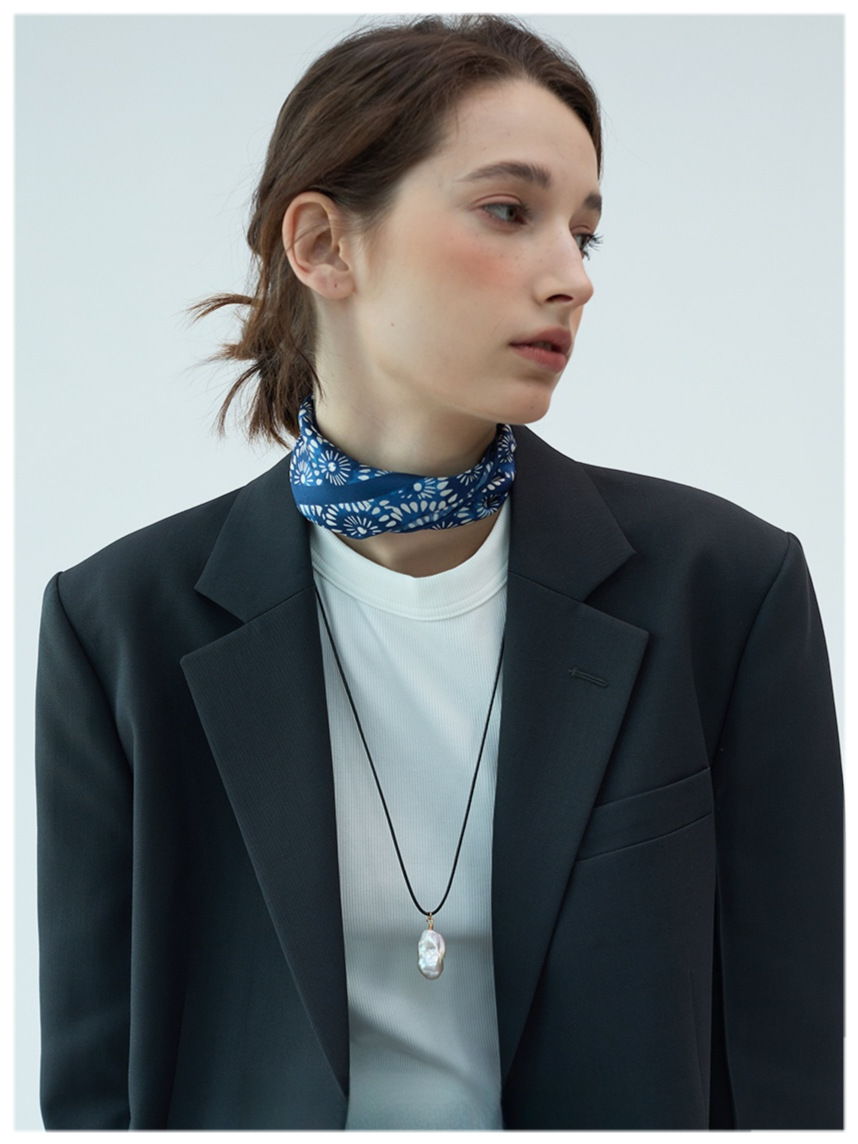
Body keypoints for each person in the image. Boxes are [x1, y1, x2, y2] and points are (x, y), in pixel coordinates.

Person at [35, 14, 842, 1131]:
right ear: (323, 244)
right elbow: (97, 1085)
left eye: (585, 233)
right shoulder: (118, 627)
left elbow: (787, 1068)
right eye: (510, 211)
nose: (572, 278)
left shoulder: (727, 593)